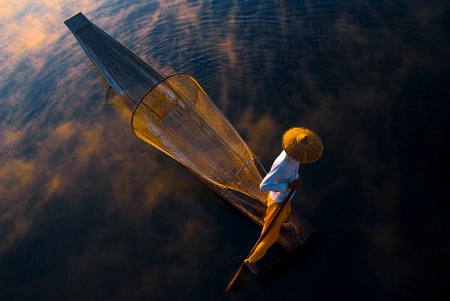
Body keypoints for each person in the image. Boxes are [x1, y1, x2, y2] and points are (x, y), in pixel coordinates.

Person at [244, 127, 323, 275]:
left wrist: (296, 178)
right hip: (278, 200)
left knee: (287, 211)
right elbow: (264, 186)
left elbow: (293, 171)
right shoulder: (281, 164)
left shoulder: (296, 155)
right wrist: (289, 185)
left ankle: (278, 223)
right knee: (270, 236)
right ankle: (251, 260)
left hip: (286, 198)